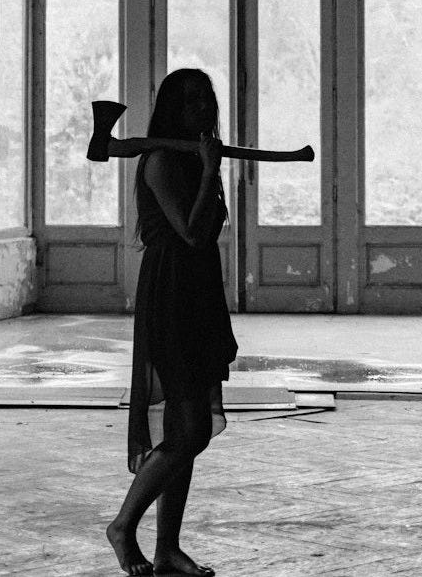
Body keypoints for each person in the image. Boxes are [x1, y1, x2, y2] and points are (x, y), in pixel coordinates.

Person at [106, 68, 238, 577]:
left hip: (199, 291)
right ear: (171, 111)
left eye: (207, 101)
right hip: (171, 293)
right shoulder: (161, 160)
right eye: (191, 104)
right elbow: (187, 232)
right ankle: (123, 526)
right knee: (187, 432)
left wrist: (209, 170)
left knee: (193, 428)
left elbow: (207, 229)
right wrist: (208, 172)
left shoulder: (193, 158)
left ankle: (166, 551)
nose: (202, 111)